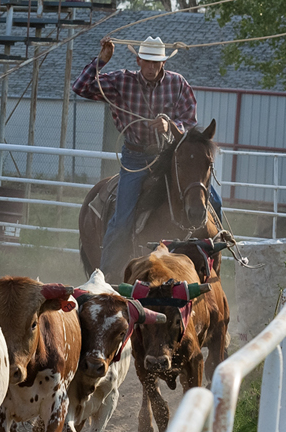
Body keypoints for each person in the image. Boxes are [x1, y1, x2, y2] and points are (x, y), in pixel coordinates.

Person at [73, 35, 224, 276]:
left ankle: (217, 254)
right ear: (138, 60)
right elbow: (81, 87)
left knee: (213, 200)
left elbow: (189, 120)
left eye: (156, 62)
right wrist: (101, 61)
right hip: (136, 158)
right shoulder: (122, 81)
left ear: (163, 63)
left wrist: (171, 125)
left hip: (170, 155)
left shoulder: (178, 84)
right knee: (122, 220)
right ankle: (108, 277)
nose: (151, 67)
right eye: (147, 61)